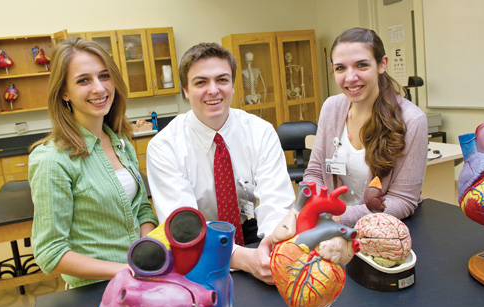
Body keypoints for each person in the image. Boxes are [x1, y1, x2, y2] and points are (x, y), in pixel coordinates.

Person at [146, 43, 295, 284]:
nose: (213, 90)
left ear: (233, 85)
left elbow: (276, 202)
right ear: (185, 90)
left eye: (222, 80)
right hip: (199, 251)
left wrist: (272, 246)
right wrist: (245, 259)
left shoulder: (260, 132)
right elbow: (185, 229)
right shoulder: (164, 147)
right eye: (201, 82)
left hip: (256, 238)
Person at [28, 38, 158, 288]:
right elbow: (50, 253)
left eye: (104, 76)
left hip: (141, 280)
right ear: (64, 91)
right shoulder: (53, 159)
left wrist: (146, 253)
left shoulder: (120, 142)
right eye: (83, 80)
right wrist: (127, 270)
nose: (99, 88)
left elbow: (141, 208)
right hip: (94, 291)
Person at [304, 27, 428, 227]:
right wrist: (319, 207)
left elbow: (403, 201)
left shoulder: (412, 120)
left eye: (361, 65)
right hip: (330, 227)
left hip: (380, 231)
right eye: (340, 68)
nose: (350, 77)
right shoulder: (331, 108)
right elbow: (315, 173)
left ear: (382, 64)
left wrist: (339, 218)